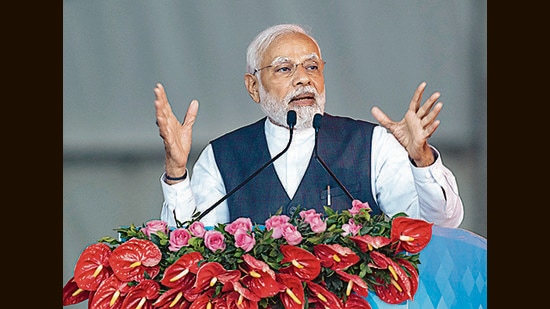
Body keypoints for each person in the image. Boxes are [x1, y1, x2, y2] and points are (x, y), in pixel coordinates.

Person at [153, 23, 464, 228]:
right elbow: (191, 247)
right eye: (285, 68)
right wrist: (177, 173)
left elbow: (437, 225)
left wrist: (422, 160)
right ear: (253, 87)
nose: (304, 78)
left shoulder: (371, 144)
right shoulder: (223, 156)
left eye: (312, 66)